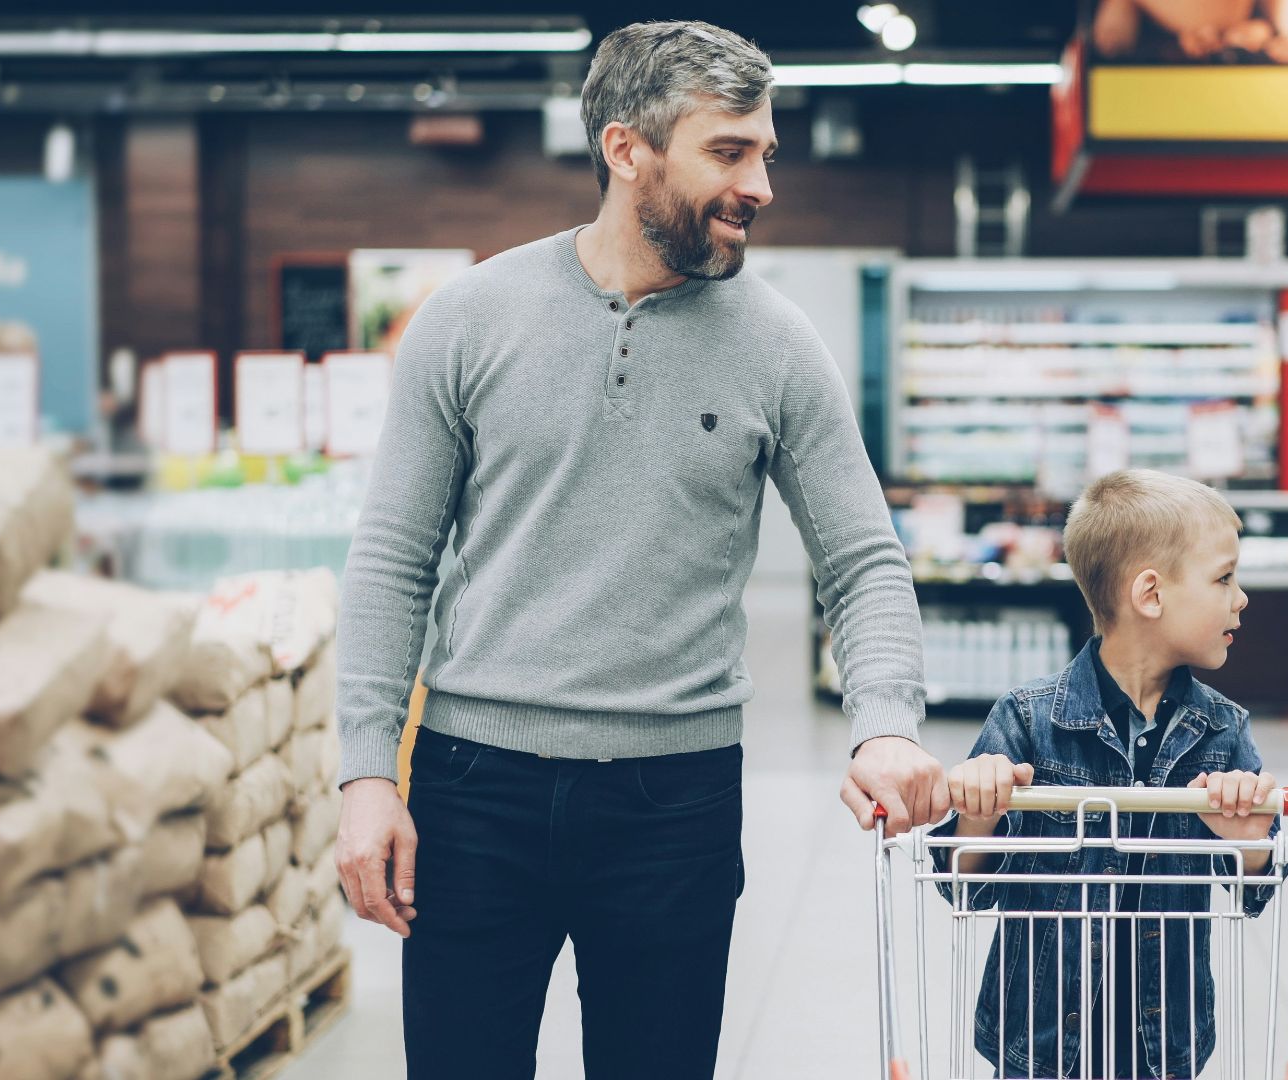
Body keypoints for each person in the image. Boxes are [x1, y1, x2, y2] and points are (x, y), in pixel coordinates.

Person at [330, 20, 946, 1079]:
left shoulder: (780, 345)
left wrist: (883, 725)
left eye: (765, 153)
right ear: (628, 150)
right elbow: (394, 557)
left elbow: (862, 559)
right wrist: (363, 776)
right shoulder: (470, 320)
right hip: (477, 789)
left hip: (676, 799)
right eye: (729, 151)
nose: (760, 184)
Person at [932, 469, 1280, 1078]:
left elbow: (1256, 889)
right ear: (1150, 594)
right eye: (1224, 577)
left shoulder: (1223, 732)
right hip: (1039, 1043)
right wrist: (978, 812)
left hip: (1162, 1045)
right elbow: (961, 885)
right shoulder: (1027, 721)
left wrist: (1250, 844)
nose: (1241, 596)